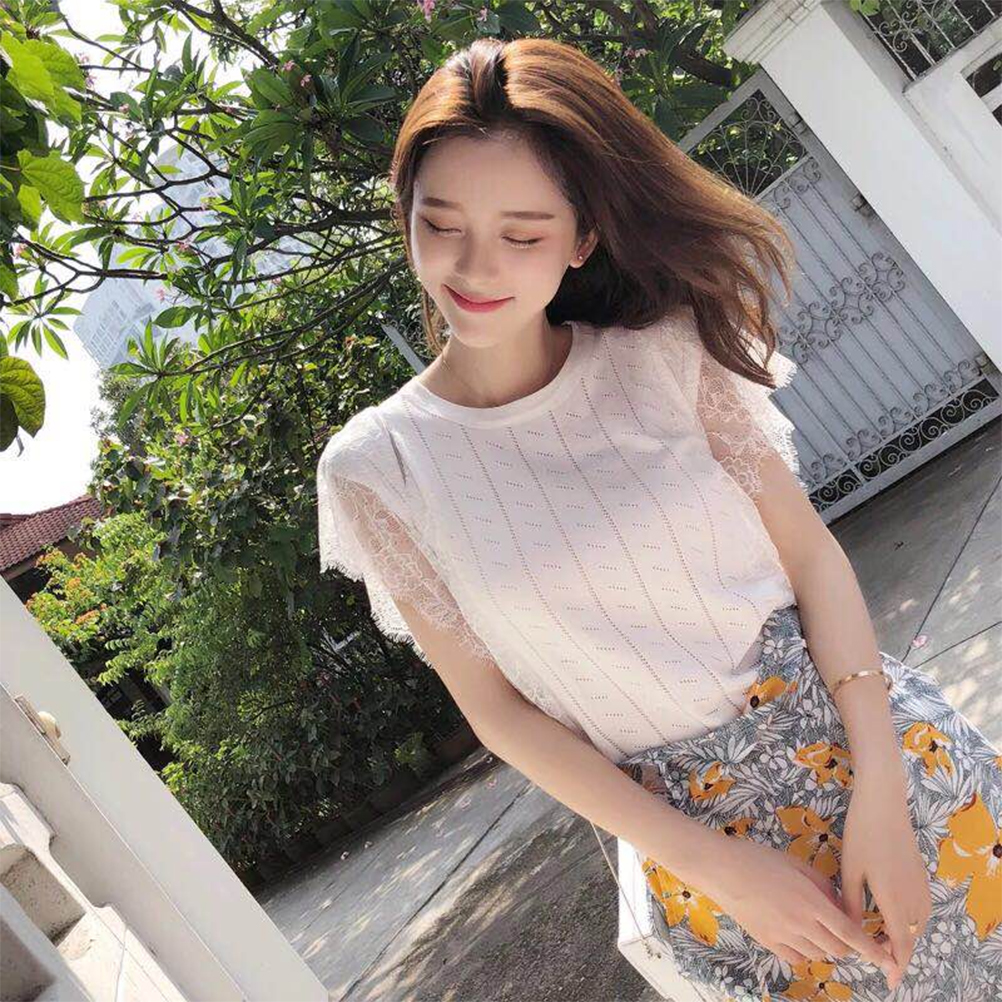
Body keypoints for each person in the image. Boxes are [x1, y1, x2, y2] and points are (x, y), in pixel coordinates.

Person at [315, 36, 1001, 1002]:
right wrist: (719, 868)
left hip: (889, 759)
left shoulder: (665, 356)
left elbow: (811, 558)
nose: (475, 266)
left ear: (581, 239)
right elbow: (499, 714)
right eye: (441, 224)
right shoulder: (378, 470)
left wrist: (883, 789)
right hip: (707, 854)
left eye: (523, 235)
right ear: (406, 218)